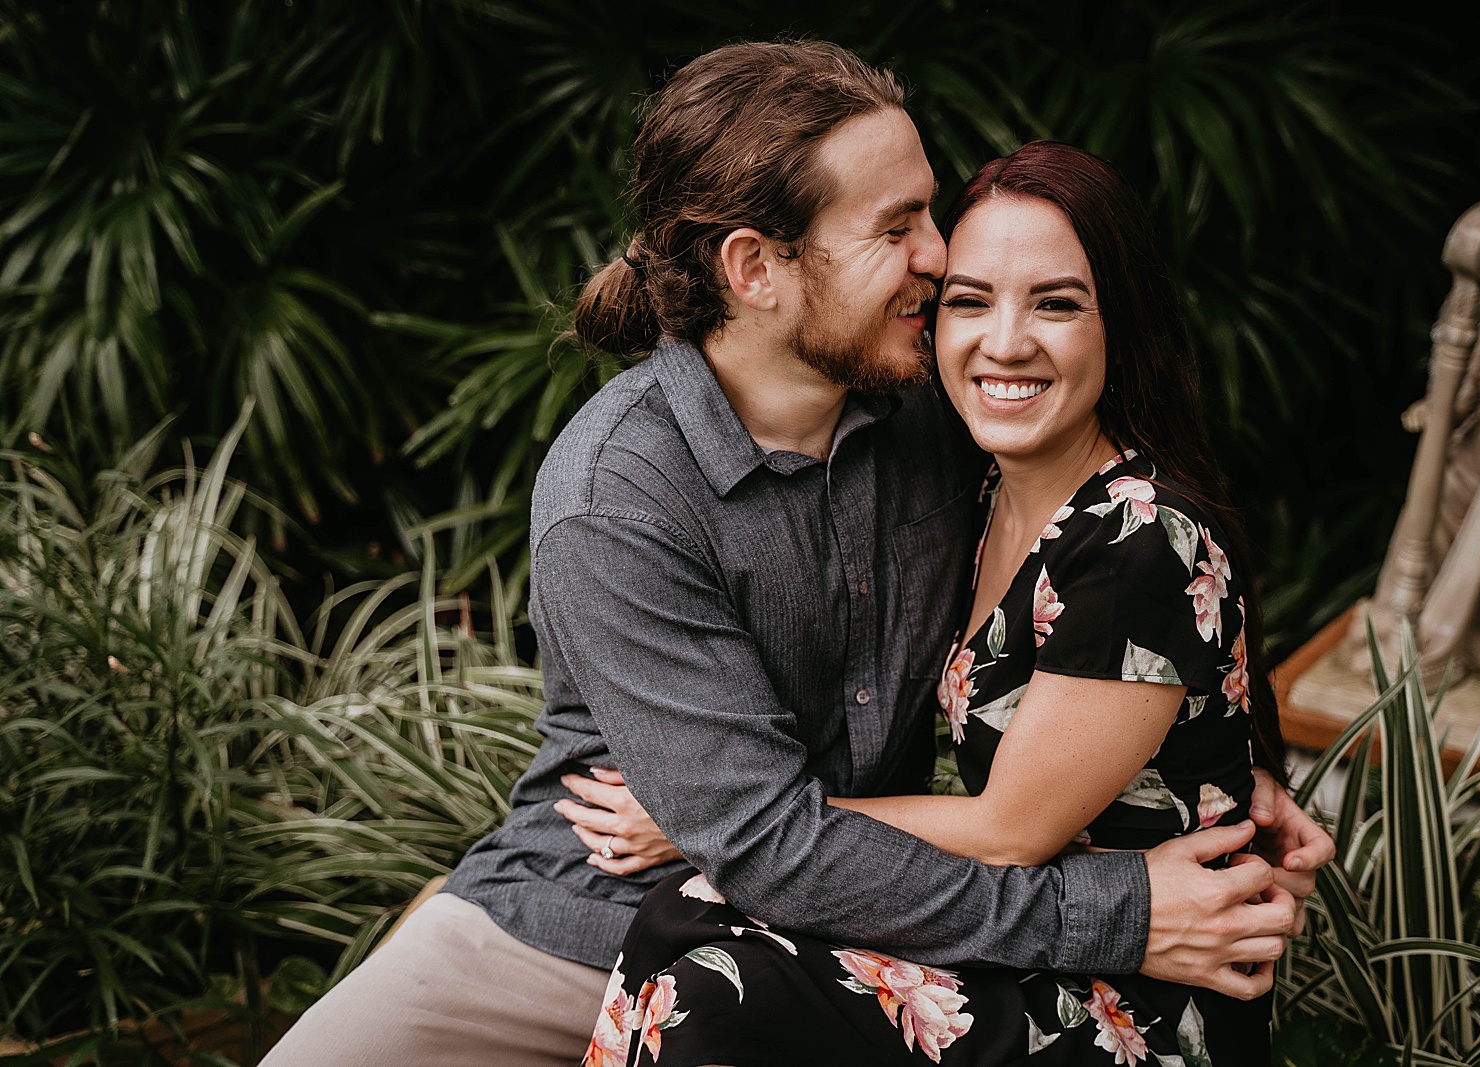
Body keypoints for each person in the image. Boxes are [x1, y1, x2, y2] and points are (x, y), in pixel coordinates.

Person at [261, 41, 1330, 1067]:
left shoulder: (937, 407)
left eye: (929, 212)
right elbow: (768, 845)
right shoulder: (617, 499)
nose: (937, 254)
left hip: (848, 925)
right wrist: (1118, 912)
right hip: (583, 919)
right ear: (755, 267)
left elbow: (1147, 549)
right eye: (897, 224)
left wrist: (1241, 770)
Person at [583, 141, 1286, 1067]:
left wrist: (719, 821)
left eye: (1056, 303)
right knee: (690, 929)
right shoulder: (987, 492)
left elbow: (1007, 830)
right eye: (969, 300)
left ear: (1123, 323)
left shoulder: (1137, 539)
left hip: (1142, 984)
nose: (1004, 341)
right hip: (1043, 928)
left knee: (709, 979)